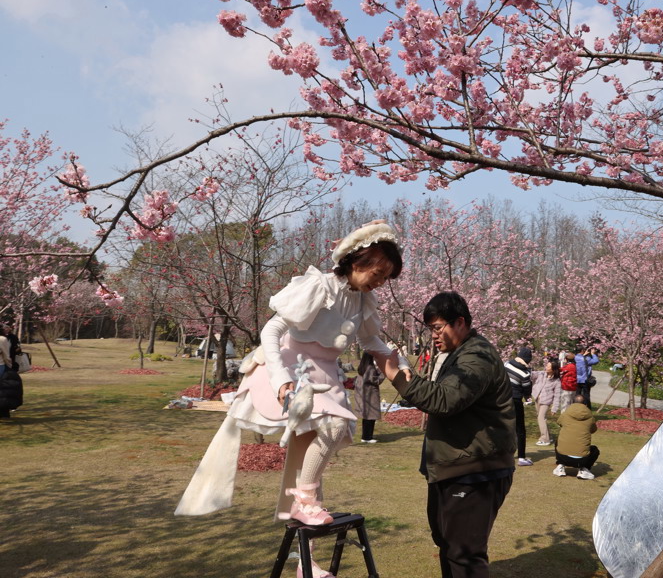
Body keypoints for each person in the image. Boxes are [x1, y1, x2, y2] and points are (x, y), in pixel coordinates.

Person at [176, 220, 403, 576]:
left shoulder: (363, 302)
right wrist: (280, 379)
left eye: (385, 276)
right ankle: (304, 502)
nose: (380, 281)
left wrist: (399, 364)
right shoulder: (320, 287)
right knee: (334, 429)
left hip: (325, 374)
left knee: (312, 462)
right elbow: (272, 330)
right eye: (377, 272)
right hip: (292, 369)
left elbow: (372, 343)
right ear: (356, 261)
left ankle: (306, 563)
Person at [374, 291, 515, 578]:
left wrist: (398, 378)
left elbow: (445, 400)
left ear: (460, 322)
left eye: (438, 328)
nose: (434, 336)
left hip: (476, 472)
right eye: (430, 329)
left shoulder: (477, 356)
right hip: (455, 468)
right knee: (449, 546)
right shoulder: (458, 354)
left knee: (464, 554)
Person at [553, 394, 600, 480]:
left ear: (573, 403)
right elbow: (593, 430)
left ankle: (560, 466)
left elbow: (559, 422)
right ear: (585, 404)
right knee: (595, 450)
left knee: (558, 441)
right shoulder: (590, 417)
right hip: (581, 460)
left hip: (563, 457)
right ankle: (583, 470)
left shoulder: (566, 413)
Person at [505, 346, 534, 466]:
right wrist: (528, 398)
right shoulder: (525, 373)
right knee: (520, 429)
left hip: (502, 399)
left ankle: (503, 453)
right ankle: (521, 457)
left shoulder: (506, 364)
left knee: (504, 427)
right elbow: (527, 390)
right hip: (515, 400)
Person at [354, 351, 384, 444]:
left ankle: (366, 436)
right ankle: (367, 437)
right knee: (371, 418)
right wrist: (383, 373)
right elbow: (375, 380)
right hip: (370, 395)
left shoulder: (362, 367)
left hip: (363, 394)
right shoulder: (370, 368)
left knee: (366, 417)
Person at [533, 359, 561, 446]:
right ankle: (550, 437)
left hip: (546, 401)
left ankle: (545, 439)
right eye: (547, 365)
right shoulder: (541, 374)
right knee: (542, 418)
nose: (546, 367)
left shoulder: (556, 381)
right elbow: (532, 374)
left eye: (549, 366)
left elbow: (557, 395)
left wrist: (554, 408)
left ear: (553, 369)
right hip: (537, 398)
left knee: (541, 418)